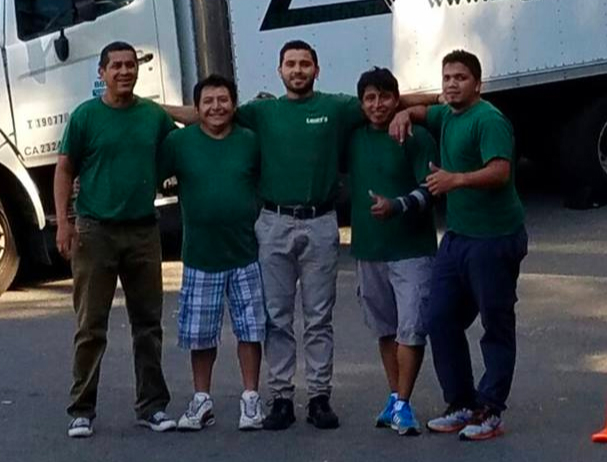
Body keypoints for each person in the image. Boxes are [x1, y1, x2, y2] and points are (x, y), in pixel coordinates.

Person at [164, 40, 435, 431]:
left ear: (316, 69)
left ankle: (320, 396)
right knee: (277, 316)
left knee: (318, 316)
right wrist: (150, 108)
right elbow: (207, 114)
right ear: (279, 71)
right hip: (273, 222)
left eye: (304, 63)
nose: (297, 70)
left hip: (321, 222)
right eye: (290, 64)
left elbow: (390, 100)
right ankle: (281, 397)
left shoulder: (336, 108)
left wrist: (409, 109)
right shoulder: (262, 112)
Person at [390, 49, 528, 442]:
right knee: (440, 319)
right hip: (458, 238)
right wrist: (404, 112)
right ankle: (461, 402)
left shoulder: (489, 120)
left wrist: (456, 180)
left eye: (460, 78)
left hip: (495, 239)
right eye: (447, 77)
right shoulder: (446, 114)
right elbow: (420, 107)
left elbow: (500, 172)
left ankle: (490, 410)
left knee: (495, 323)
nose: (452, 84)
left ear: (478, 84)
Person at [54, 41, 177, 439]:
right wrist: (64, 223)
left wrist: (228, 109)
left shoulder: (151, 116)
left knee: (148, 325)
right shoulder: (86, 117)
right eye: (116, 66)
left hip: (143, 230)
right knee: (91, 325)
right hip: (95, 231)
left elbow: (192, 121)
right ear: (102, 73)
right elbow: (64, 169)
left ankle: (152, 406)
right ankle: (81, 409)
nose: (125, 71)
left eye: (130, 65)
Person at [160, 74, 266, 432]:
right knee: (200, 334)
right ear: (197, 108)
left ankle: (251, 399)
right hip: (200, 256)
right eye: (208, 101)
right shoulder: (179, 142)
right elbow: (150, 173)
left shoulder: (250, 141)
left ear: (234, 105)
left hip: (245, 253)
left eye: (223, 100)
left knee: (250, 331)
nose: (216, 107)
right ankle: (201, 400)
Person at [349, 67, 437, 436]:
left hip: (411, 249)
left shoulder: (415, 135)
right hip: (369, 249)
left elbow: (431, 187)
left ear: (397, 98)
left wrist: (397, 206)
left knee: (411, 328)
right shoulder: (352, 137)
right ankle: (395, 397)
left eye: (386, 97)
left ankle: (403, 402)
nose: (378, 105)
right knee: (385, 329)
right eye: (370, 98)